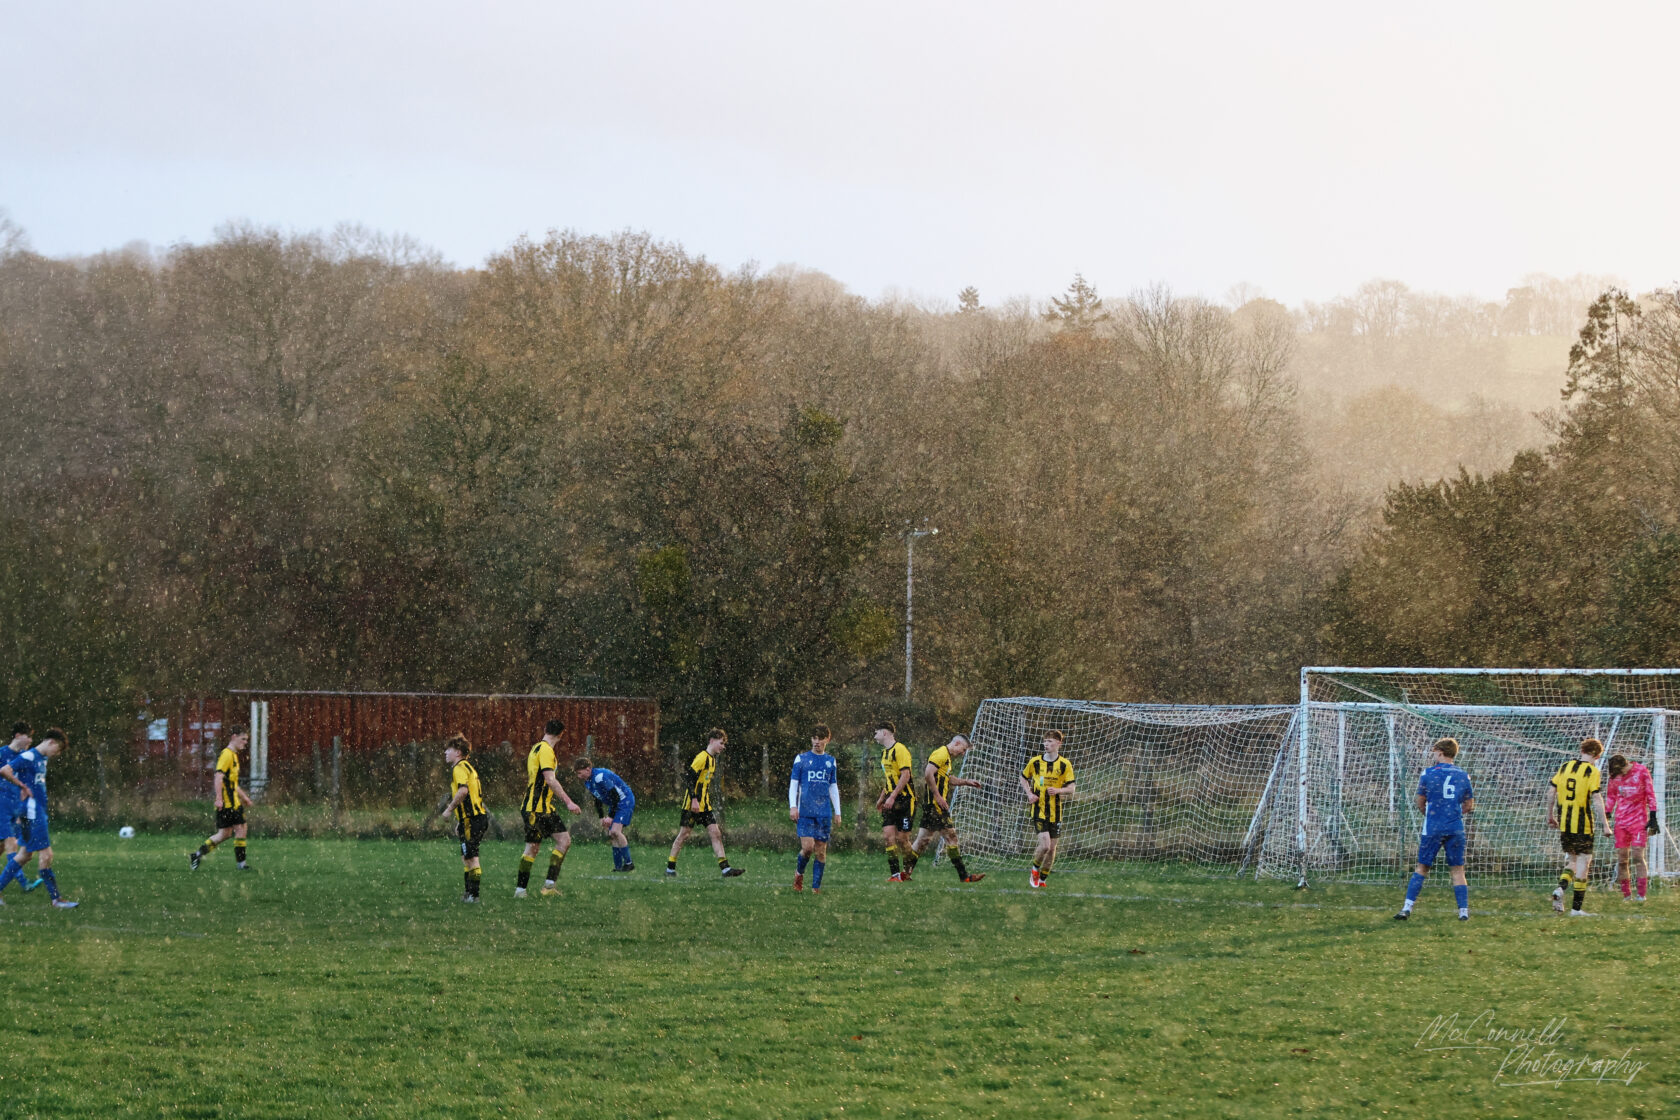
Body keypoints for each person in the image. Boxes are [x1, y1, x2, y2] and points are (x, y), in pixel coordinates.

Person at [1395, 738, 1474, 921]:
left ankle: (1407, 908)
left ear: (1440, 752)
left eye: (1434, 751)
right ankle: (1463, 912)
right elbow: (1469, 804)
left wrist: (1430, 815)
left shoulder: (1428, 774)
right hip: (1455, 827)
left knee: (1422, 867)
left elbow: (1420, 802)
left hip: (1433, 827)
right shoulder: (1463, 775)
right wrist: (1455, 814)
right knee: (1457, 870)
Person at [0, 728, 77, 908]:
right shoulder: (29, 756)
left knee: (24, 855)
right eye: (56, 749)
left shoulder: (42, 758)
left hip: (34, 811)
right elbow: (5, 770)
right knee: (46, 854)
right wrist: (22, 787)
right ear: (50, 742)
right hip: (33, 811)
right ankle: (56, 899)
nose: (56, 754)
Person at [907, 734, 986, 884]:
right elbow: (928, 773)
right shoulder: (941, 753)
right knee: (951, 837)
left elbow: (948, 778)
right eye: (962, 750)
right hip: (936, 805)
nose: (962, 754)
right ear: (956, 743)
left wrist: (966, 782)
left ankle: (904, 874)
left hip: (934, 805)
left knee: (922, 841)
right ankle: (964, 876)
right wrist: (937, 796)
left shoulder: (946, 758)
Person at [666, 729, 744, 878]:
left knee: (715, 833)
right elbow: (689, 779)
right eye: (721, 743)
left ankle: (725, 869)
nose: (723, 746)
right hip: (692, 805)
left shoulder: (713, 760)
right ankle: (670, 868)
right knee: (684, 834)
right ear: (712, 741)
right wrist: (694, 800)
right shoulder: (702, 758)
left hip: (705, 806)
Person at [519, 719, 583, 898]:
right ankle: (520, 890)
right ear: (561, 735)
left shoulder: (536, 748)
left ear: (545, 729)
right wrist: (569, 802)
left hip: (544, 808)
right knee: (532, 848)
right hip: (535, 808)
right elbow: (550, 780)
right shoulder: (546, 750)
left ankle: (548, 886)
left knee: (564, 840)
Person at [1548, 737, 1607, 917]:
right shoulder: (1593, 771)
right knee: (1583, 863)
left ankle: (1560, 888)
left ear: (1582, 751)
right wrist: (1605, 824)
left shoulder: (1565, 767)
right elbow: (1596, 799)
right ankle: (1576, 909)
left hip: (1565, 823)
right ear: (1597, 756)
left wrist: (1549, 815)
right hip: (1583, 824)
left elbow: (1551, 791)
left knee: (1573, 860)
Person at [428, 733, 487, 903]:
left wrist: (449, 809)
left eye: (449, 749)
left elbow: (463, 791)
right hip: (471, 820)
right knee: (466, 857)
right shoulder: (468, 767)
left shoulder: (459, 768)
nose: (446, 752)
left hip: (473, 819)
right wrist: (460, 822)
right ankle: (468, 893)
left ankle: (473, 896)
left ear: (458, 752)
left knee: (471, 857)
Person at [190, 725, 254, 871]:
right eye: (243, 739)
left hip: (234, 802)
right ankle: (241, 865)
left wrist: (245, 797)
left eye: (246, 740)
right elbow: (218, 776)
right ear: (234, 737)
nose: (245, 742)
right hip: (228, 803)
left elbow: (232, 783)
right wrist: (219, 798)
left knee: (224, 834)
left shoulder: (233, 755)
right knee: (241, 829)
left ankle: (197, 855)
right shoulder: (226, 754)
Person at [788, 724, 842, 892]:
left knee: (821, 851)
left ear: (828, 739)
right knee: (808, 848)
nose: (816, 742)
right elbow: (793, 785)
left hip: (823, 812)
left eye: (820, 739)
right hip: (805, 811)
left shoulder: (830, 761)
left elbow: (833, 787)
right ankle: (799, 874)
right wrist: (793, 806)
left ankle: (815, 888)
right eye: (814, 738)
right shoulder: (801, 759)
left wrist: (837, 811)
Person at [1019, 730, 1076, 889]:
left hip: (1056, 812)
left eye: (1050, 741)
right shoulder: (1035, 762)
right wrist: (1029, 793)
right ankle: (1035, 870)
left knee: (1051, 850)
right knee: (1045, 845)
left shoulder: (1065, 764)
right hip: (1038, 809)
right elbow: (1023, 777)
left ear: (1059, 743)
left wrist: (1059, 791)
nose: (1046, 744)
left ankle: (1043, 879)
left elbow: (1071, 788)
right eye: (1045, 741)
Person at [1604, 753, 1659, 902]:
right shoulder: (1615, 777)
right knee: (1622, 859)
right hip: (1621, 822)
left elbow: (1650, 793)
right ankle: (1626, 895)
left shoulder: (1641, 771)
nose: (1618, 776)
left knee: (1637, 856)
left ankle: (1641, 895)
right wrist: (1607, 815)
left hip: (1639, 821)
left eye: (1619, 772)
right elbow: (1611, 796)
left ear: (1624, 766)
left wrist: (1653, 816)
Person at [573, 757, 637, 872]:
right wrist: (601, 816)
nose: (578, 776)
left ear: (588, 769)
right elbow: (597, 798)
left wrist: (611, 817)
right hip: (615, 803)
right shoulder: (588, 781)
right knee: (612, 834)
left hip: (624, 801)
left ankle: (629, 863)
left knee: (615, 832)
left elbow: (616, 796)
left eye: (579, 773)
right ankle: (618, 867)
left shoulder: (600, 777)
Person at [873, 721, 917, 882]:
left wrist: (892, 797)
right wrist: (882, 798)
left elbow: (905, 776)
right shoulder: (884, 754)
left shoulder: (900, 750)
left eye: (876, 732)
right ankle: (895, 874)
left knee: (902, 839)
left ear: (885, 733)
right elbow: (889, 779)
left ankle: (907, 870)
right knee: (888, 837)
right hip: (890, 799)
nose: (874, 736)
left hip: (905, 800)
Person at [0, 722, 32, 880]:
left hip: (15, 807)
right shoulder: (2, 753)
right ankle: (23, 883)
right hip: (1, 806)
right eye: (28, 736)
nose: (30, 740)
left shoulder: (22, 758)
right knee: (11, 843)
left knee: (3, 846)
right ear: (18, 735)